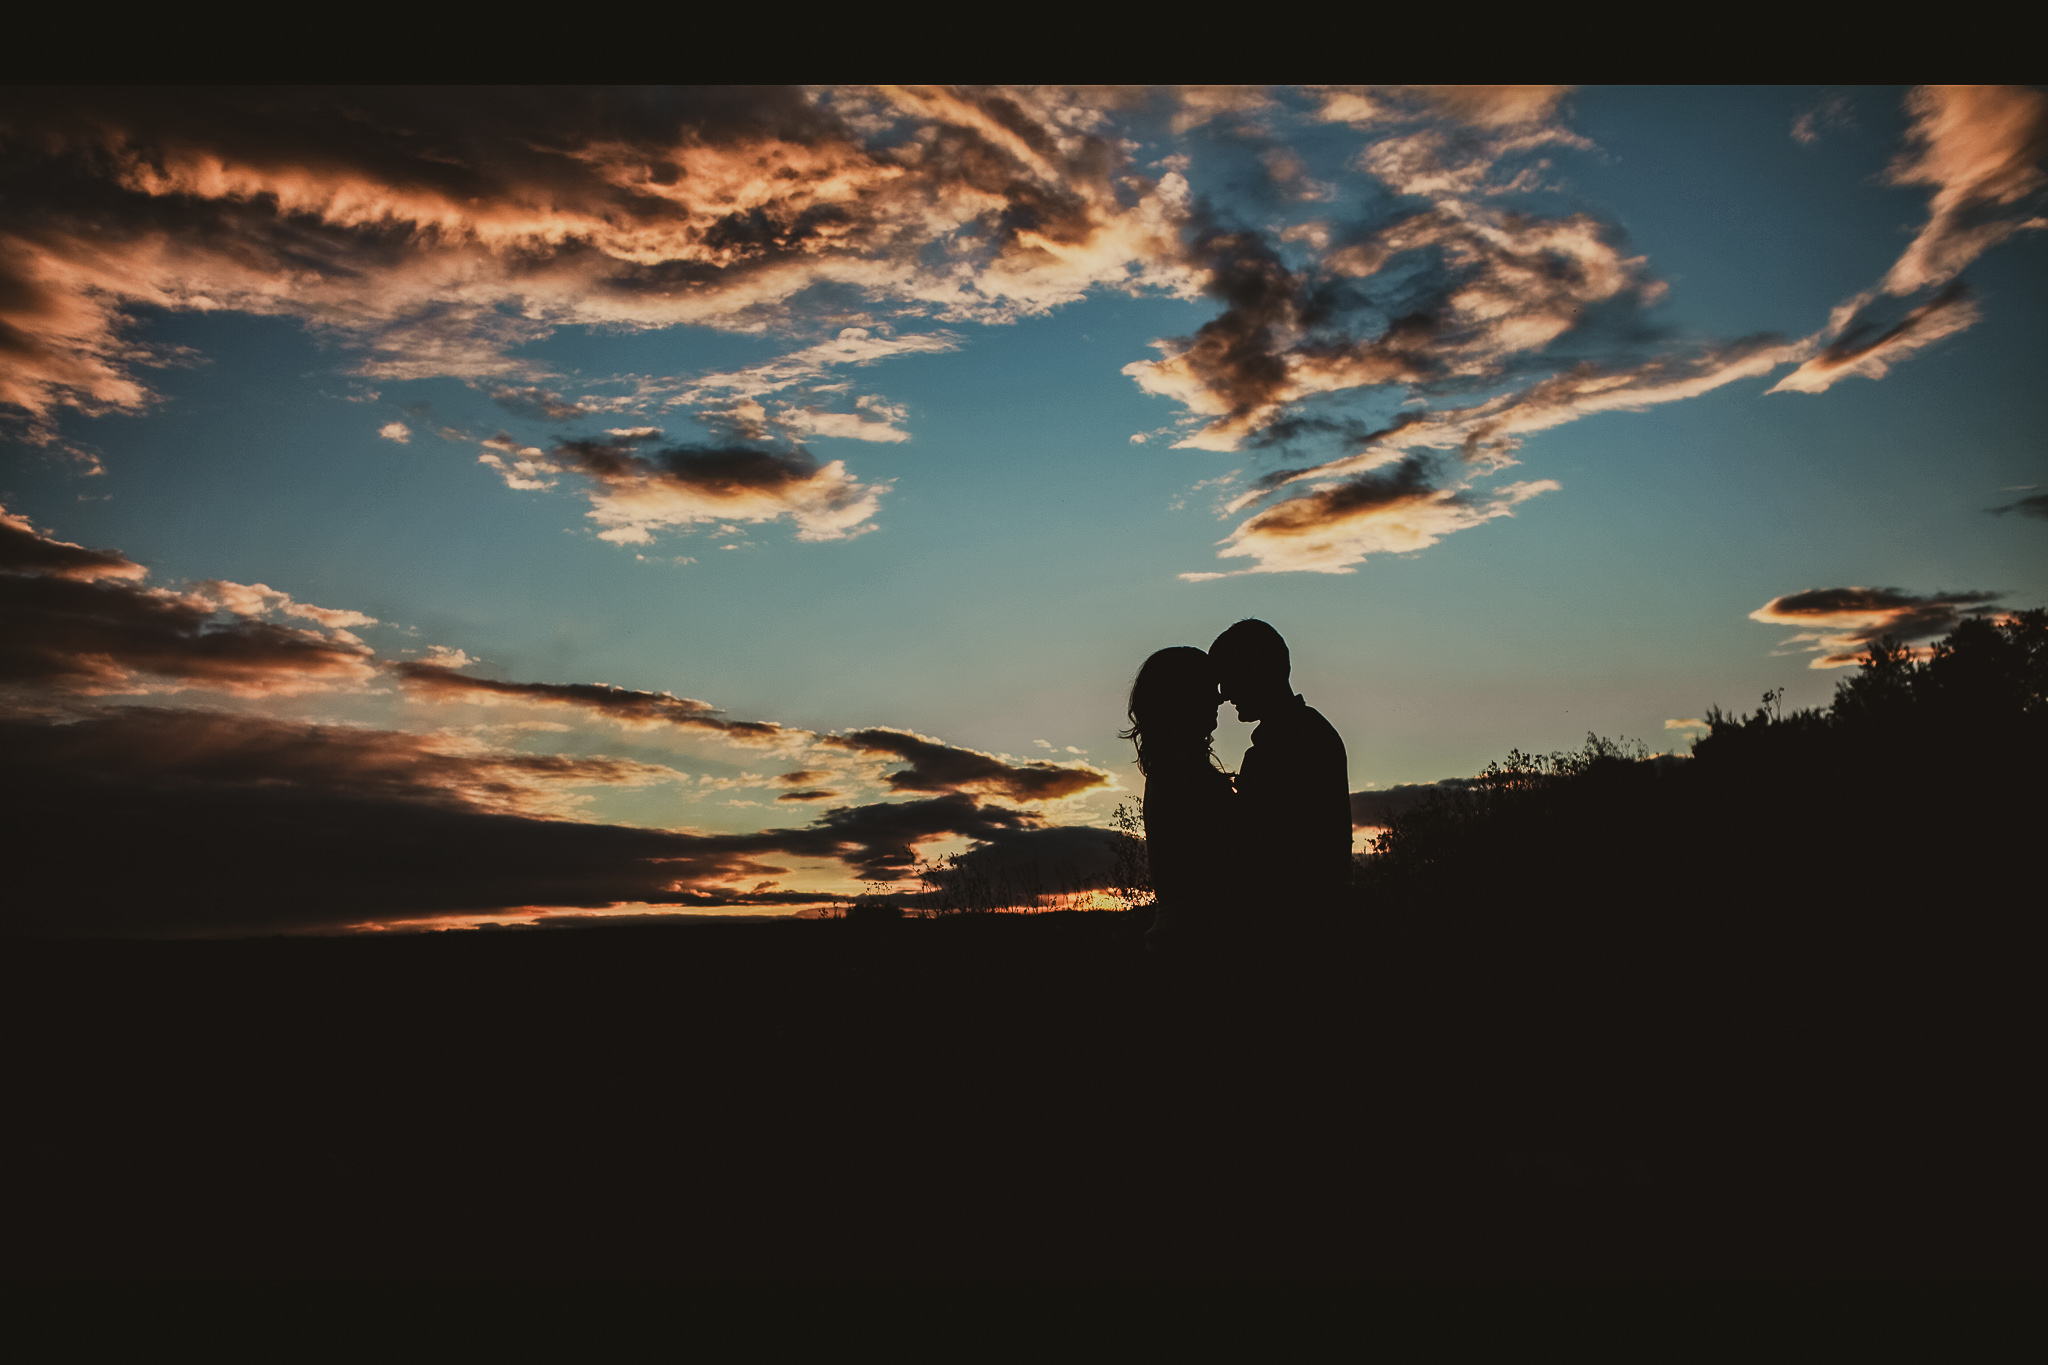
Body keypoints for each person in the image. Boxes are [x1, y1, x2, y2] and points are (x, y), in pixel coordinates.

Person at [1209, 619, 1352, 920]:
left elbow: (1256, 850)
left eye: (1229, 677)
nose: (1223, 694)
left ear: (1257, 670)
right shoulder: (1307, 734)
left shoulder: (1293, 743)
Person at [1121, 646, 1241, 954]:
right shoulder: (1182, 776)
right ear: (1181, 697)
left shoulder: (1175, 770)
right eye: (1208, 689)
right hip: (1194, 943)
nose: (1219, 698)